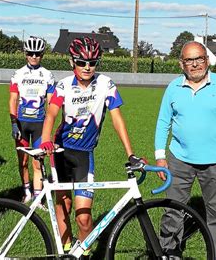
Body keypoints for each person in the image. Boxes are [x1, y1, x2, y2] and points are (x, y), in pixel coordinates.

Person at [40, 37, 141, 257]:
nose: (87, 67)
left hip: (85, 155)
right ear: (71, 62)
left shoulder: (106, 84)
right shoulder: (63, 85)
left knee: (84, 218)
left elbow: (117, 119)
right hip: (61, 152)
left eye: (92, 62)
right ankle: (65, 251)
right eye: (81, 62)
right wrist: (46, 139)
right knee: (64, 205)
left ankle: (82, 254)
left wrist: (130, 154)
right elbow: (51, 113)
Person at [154, 41, 216, 259]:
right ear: (181, 64)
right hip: (179, 160)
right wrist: (160, 156)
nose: (195, 64)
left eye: (199, 59)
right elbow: (163, 122)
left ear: (207, 59)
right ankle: (169, 253)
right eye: (189, 60)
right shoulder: (173, 87)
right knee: (172, 211)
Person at [9, 36, 55, 204]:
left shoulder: (48, 75)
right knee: (23, 162)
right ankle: (26, 192)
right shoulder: (18, 74)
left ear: (42, 54)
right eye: (31, 53)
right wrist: (14, 123)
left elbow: (51, 103)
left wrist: (49, 128)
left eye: (38, 53)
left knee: (38, 162)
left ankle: (37, 196)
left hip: (39, 124)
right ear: (26, 54)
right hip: (22, 123)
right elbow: (13, 100)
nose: (34, 56)